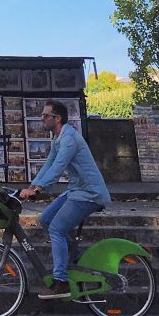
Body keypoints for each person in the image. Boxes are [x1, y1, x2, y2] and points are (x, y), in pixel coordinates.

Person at [19, 99, 111, 299]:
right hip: (75, 190)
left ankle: (61, 283)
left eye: (45, 115)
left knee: (57, 228)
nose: (42, 118)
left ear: (57, 118)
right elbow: (48, 164)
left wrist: (40, 188)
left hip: (89, 193)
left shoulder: (69, 138)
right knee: (45, 219)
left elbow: (59, 166)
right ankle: (73, 259)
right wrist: (32, 186)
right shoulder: (58, 138)